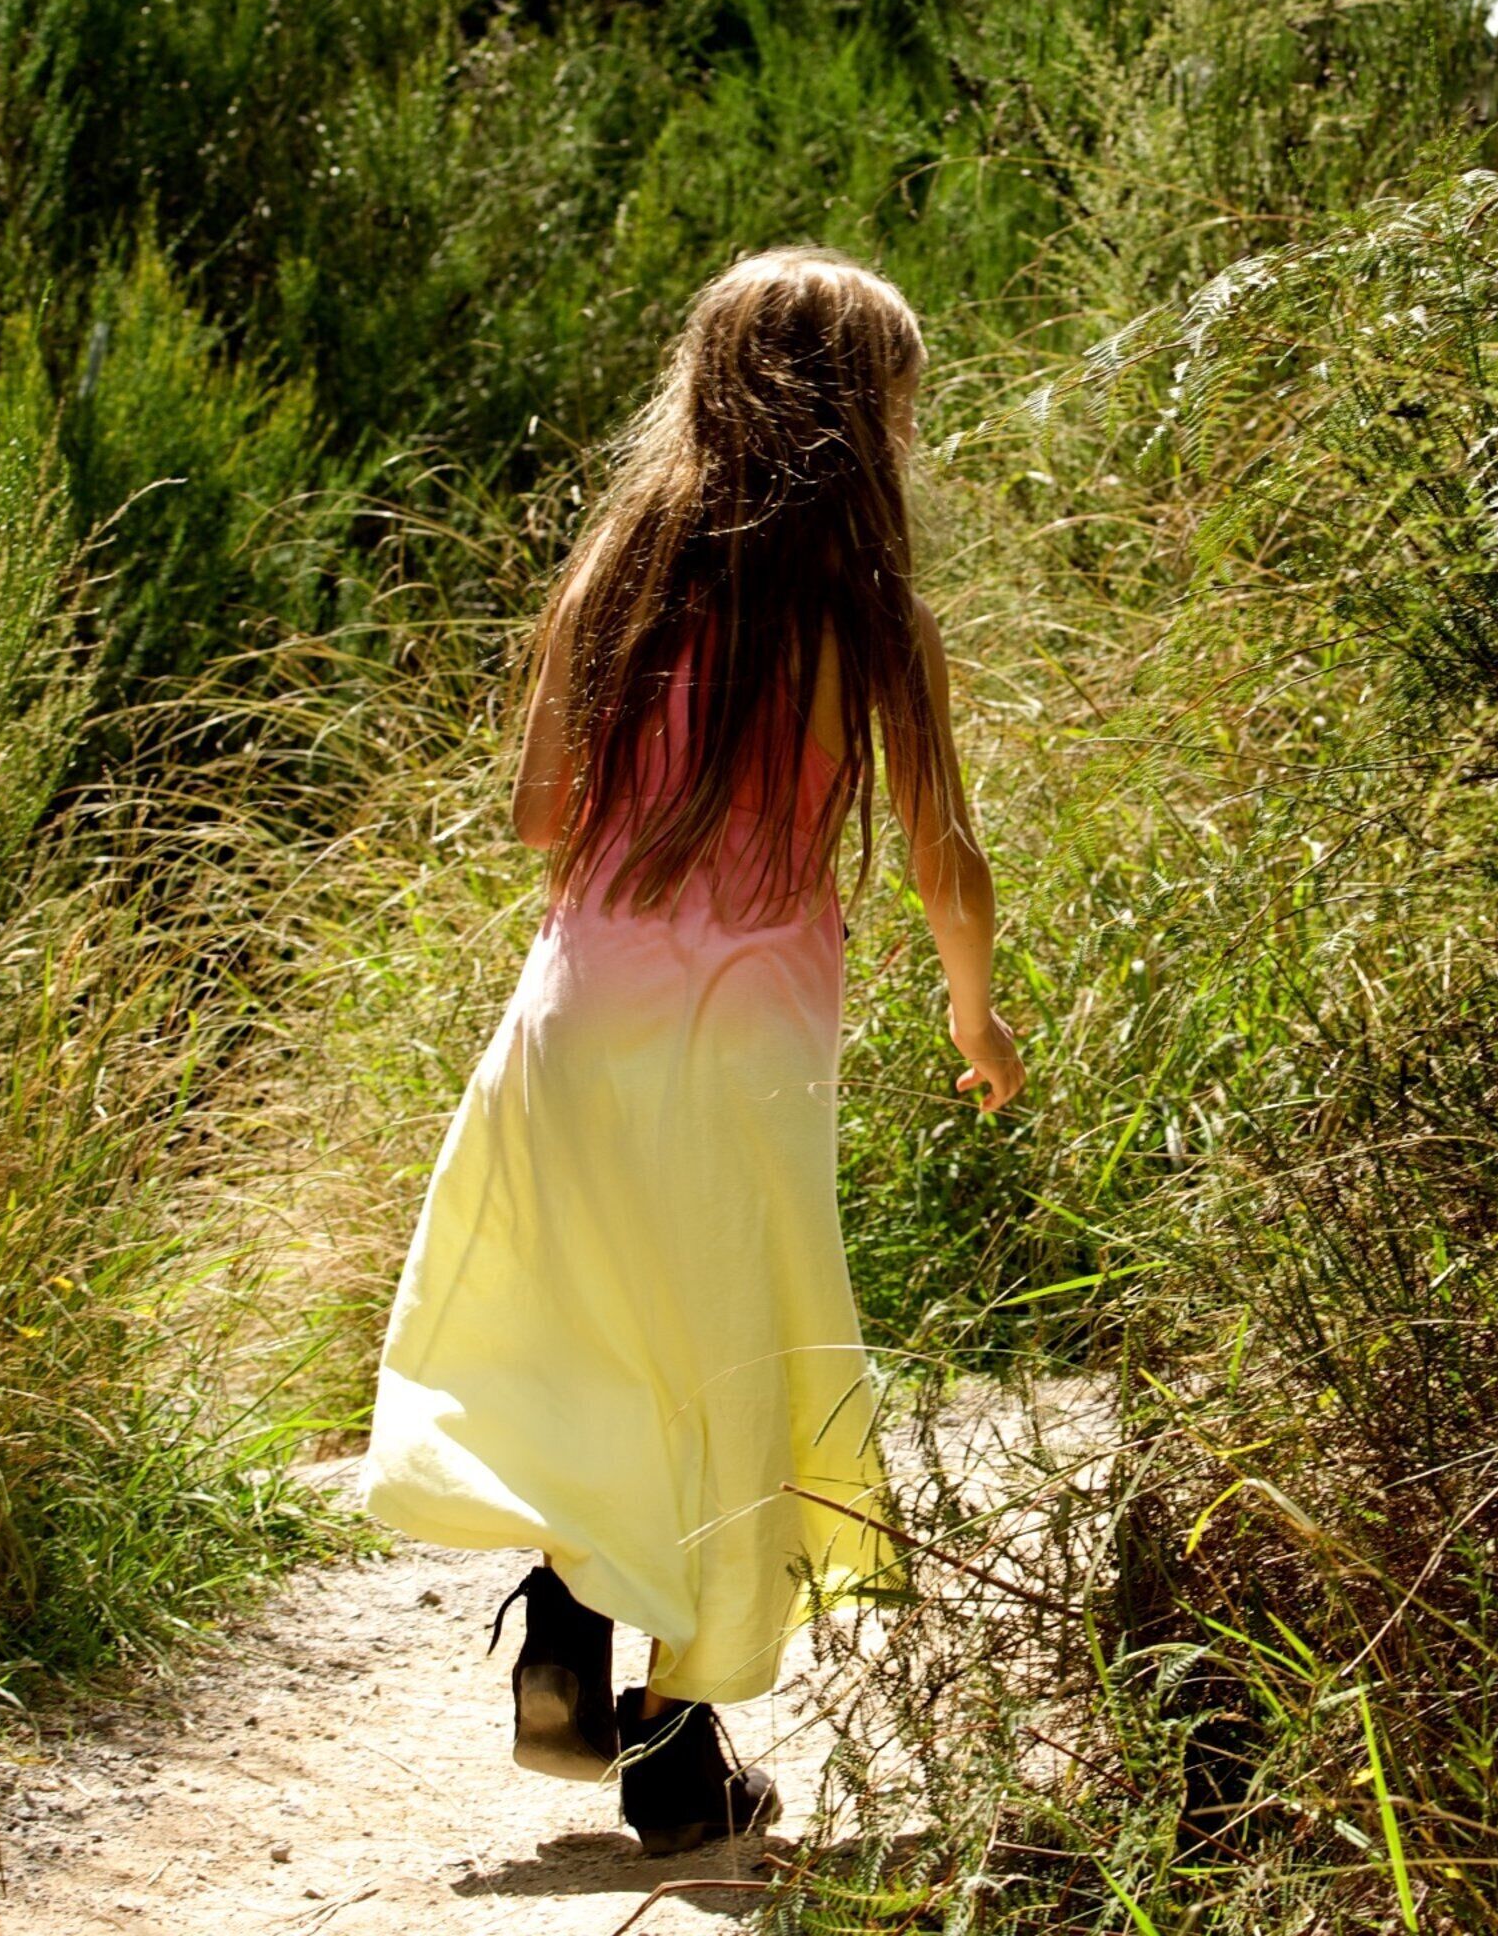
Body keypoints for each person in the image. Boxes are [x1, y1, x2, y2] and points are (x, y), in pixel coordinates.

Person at [363, 247, 1025, 1856]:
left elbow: (535, 815)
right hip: (752, 1048)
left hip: (583, 1012)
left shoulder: (614, 582)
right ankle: (668, 1735)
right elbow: (943, 854)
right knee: (737, 1357)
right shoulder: (872, 620)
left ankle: (577, 1599)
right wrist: (974, 1009)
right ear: (867, 422)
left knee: (584, 1324)